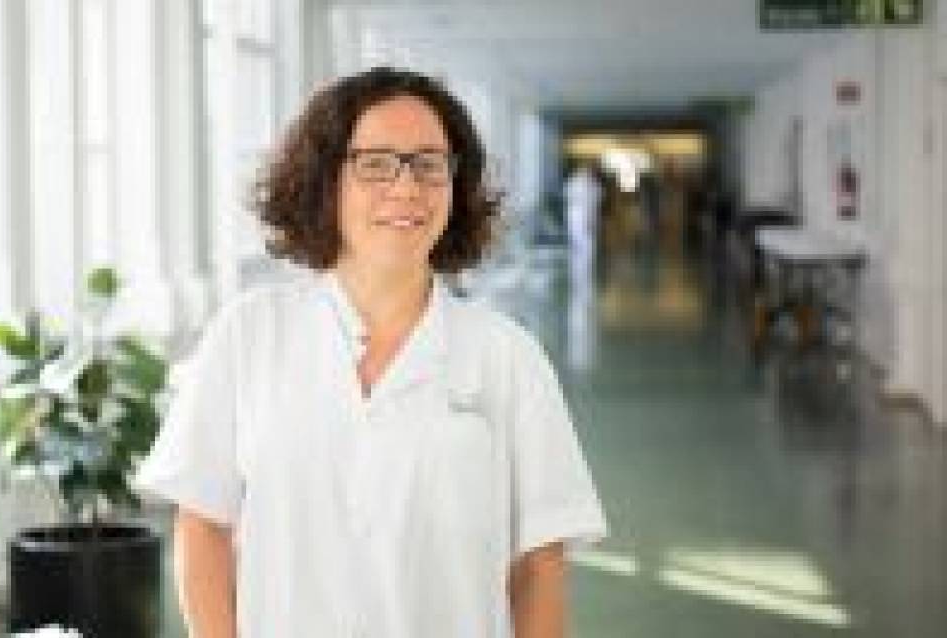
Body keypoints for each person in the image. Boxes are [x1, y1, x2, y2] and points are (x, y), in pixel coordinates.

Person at [134, 67, 607, 638]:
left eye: (429, 164)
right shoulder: (248, 335)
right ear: (325, 181)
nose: (406, 188)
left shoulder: (508, 358)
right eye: (375, 163)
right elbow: (203, 527)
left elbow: (538, 566)